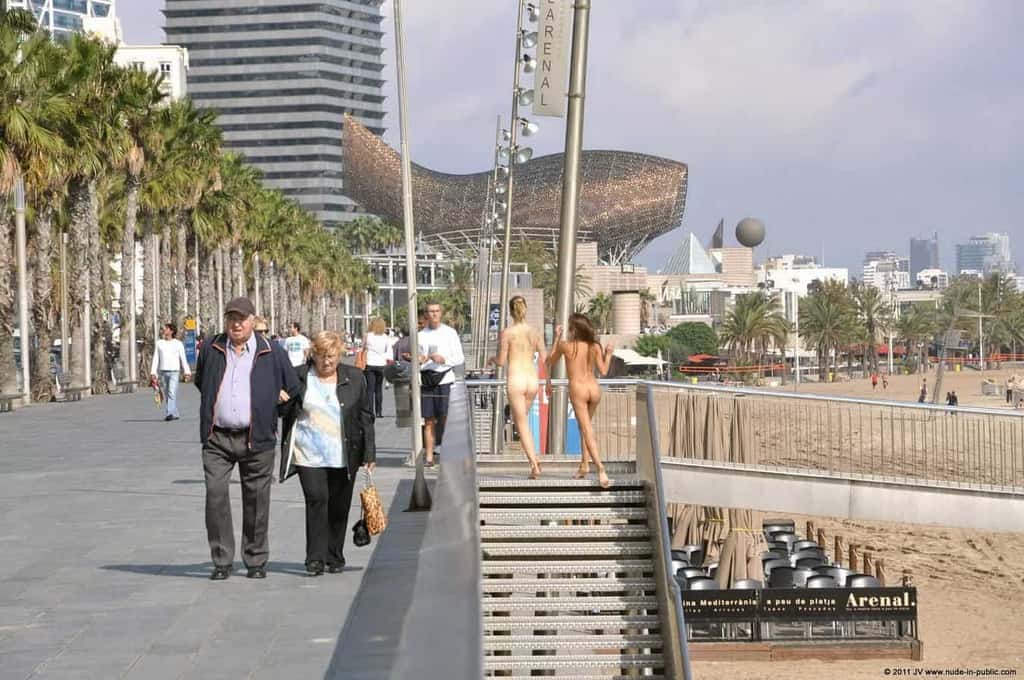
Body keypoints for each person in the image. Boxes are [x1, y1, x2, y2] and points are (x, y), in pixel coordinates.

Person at [194, 297, 300, 581]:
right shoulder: (211, 348)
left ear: (254, 320)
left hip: (258, 438)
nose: (236, 324)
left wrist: (272, 408)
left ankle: (255, 559)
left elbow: (292, 388)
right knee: (215, 496)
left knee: (256, 500)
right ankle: (221, 560)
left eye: (242, 318)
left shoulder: (272, 351)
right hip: (217, 438)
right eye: (231, 318)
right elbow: (201, 382)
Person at [280, 331, 376, 576]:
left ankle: (334, 555)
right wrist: (282, 400)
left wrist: (369, 452)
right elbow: (282, 411)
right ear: (313, 354)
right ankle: (314, 558)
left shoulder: (354, 377)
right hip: (308, 452)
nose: (326, 362)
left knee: (339, 505)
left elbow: (365, 415)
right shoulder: (299, 376)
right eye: (321, 356)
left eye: (331, 356)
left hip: (344, 452)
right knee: (317, 499)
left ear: (339, 354)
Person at [547, 313, 614, 489]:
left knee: (586, 429)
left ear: (574, 329)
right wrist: (609, 354)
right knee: (585, 429)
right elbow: (604, 370)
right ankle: (584, 464)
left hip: (579, 389)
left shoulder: (566, 346)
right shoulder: (594, 346)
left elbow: (549, 361)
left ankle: (600, 468)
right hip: (594, 389)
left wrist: (556, 338)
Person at [489, 296, 545, 479]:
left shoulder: (507, 333)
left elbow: (502, 361)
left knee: (521, 424)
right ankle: (534, 459)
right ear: (526, 309)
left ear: (510, 311)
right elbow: (544, 358)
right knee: (522, 422)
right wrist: (550, 381)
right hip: (532, 379)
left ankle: (534, 463)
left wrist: (492, 360)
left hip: (516, 378)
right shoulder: (535, 332)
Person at [418, 302, 464, 467]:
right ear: (426, 314)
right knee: (428, 420)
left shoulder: (450, 333)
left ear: (441, 313)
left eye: (437, 311)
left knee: (446, 418)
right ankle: (429, 456)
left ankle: (448, 453)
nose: (434, 314)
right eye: (431, 311)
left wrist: (444, 359)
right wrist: (421, 359)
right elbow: (417, 359)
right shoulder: (421, 335)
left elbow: (459, 358)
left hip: (445, 379)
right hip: (427, 380)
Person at [150, 322, 192, 421]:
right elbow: (156, 358)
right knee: (167, 393)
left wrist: (187, 371)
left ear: (171, 331)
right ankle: (175, 412)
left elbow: (183, 358)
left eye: (166, 328)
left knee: (171, 392)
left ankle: (169, 413)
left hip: (174, 371)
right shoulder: (159, 343)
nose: (164, 330)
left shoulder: (178, 344)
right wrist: (153, 372)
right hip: (163, 371)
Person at [363, 318, 391, 418]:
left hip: (370, 363)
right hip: (381, 364)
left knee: (369, 389)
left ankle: (370, 411)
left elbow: (363, 348)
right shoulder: (385, 337)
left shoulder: (368, 336)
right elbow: (388, 351)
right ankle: (379, 412)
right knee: (378, 389)